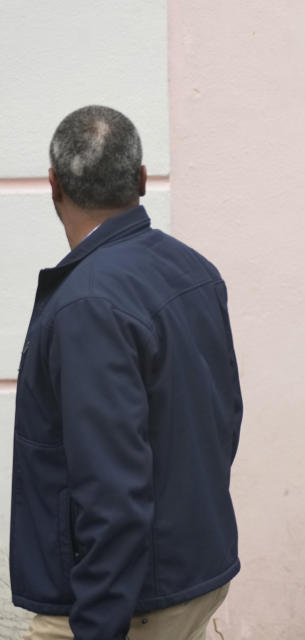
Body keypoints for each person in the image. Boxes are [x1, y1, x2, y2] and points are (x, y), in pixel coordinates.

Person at [10, 105, 243, 640]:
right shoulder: (192, 268)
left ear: (53, 186)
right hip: (193, 572)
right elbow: (223, 423)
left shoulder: (88, 305)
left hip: (126, 602)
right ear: (140, 179)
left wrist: (97, 624)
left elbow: (110, 491)